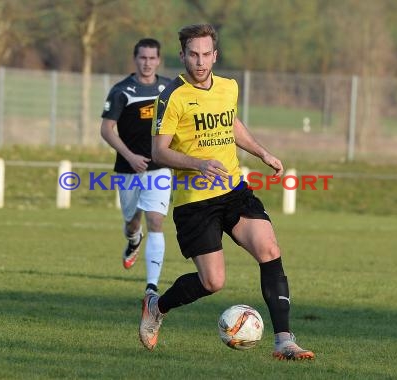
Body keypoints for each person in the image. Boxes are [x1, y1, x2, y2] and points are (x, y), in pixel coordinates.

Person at [139, 24, 315, 361]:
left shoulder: (227, 87)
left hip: (233, 191)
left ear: (215, 55)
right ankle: (156, 306)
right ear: (182, 55)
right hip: (196, 202)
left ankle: (284, 341)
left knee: (269, 248)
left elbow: (230, 123)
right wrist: (197, 163)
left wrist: (261, 152)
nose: (200, 61)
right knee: (213, 282)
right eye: (193, 54)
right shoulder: (171, 96)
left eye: (206, 54)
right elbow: (159, 152)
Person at [100, 38, 171, 295]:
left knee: (155, 220)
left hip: (159, 168)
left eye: (152, 58)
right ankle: (133, 239)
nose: (147, 63)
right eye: (143, 58)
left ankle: (151, 287)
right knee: (132, 222)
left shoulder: (168, 88)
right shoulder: (122, 91)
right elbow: (106, 130)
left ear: (159, 60)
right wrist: (130, 156)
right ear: (135, 59)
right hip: (128, 169)